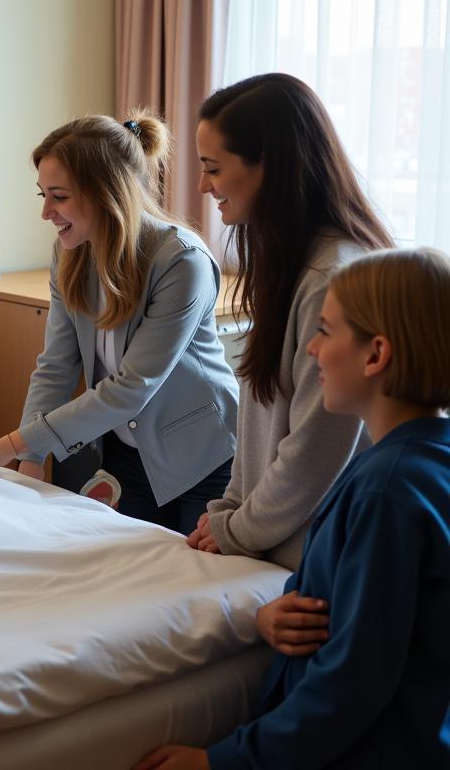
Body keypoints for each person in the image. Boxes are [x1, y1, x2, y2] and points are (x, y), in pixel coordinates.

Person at [135, 247, 450, 770]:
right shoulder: (416, 462)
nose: (310, 352)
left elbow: (351, 685)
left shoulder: (385, 492)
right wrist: (281, 608)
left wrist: (221, 760)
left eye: (324, 332)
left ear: (375, 355)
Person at [0, 113, 237, 537]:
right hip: (124, 453)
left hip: (200, 456)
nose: (47, 212)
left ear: (106, 193)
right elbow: (57, 365)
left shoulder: (181, 262)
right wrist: (31, 464)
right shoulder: (70, 254)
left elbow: (130, 388)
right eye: (43, 195)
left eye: (59, 197)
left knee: (201, 582)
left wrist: (9, 445)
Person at [186, 73, 392, 569]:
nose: (202, 185)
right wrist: (230, 510)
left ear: (270, 168)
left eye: (214, 168)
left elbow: (317, 448)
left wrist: (238, 527)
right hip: (279, 545)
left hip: (317, 557)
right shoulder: (294, 264)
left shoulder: (331, 277)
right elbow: (259, 418)